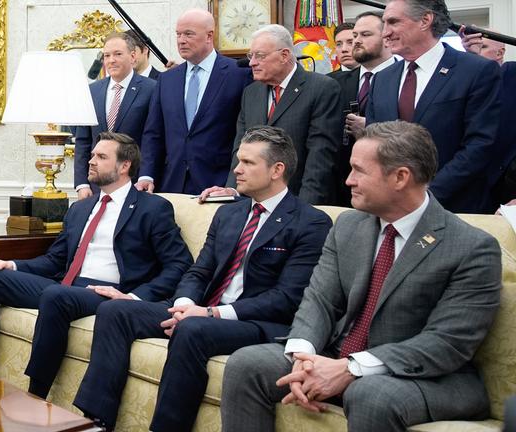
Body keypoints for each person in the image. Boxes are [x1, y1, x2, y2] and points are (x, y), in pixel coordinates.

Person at [221, 120, 502, 432]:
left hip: (426, 376)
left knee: (372, 393)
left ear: (400, 177)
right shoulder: (348, 225)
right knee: (248, 364)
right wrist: (304, 356)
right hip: (338, 354)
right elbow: (319, 300)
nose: (348, 180)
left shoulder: (472, 247)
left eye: (359, 170)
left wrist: (352, 368)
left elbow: (447, 342)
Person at [73, 126, 332, 432]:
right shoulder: (228, 214)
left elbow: (286, 298)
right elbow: (199, 271)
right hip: (202, 312)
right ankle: (96, 421)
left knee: (193, 329)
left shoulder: (311, 222)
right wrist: (184, 304)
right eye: (238, 160)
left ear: (277, 170)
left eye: (248, 163)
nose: (236, 169)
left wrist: (210, 313)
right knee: (115, 311)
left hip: (254, 321)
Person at [0, 132, 193, 397]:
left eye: (101, 157)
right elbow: (54, 261)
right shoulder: (80, 208)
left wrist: (132, 297)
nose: (91, 161)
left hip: (106, 294)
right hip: (65, 286)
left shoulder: (152, 208)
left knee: (56, 294)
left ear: (124, 166)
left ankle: (36, 395)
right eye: (92, 155)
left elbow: (179, 264)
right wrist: (12, 265)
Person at [366, 0, 501, 213]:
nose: (385, 33)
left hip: (455, 209)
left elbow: (481, 144)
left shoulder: (476, 71)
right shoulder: (382, 79)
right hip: (391, 208)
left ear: (425, 20)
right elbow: (373, 143)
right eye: (384, 24)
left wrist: (425, 195)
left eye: (393, 22)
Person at [217, 24, 340, 205]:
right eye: (251, 56)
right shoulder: (251, 92)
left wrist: (305, 208)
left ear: (284, 55)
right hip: (253, 203)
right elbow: (240, 147)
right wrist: (234, 191)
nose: (252, 63)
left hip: (297, 201)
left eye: (260, 56)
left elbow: (320, 157)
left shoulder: (322, 89)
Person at [136, 9, 252, 195]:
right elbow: (153, 134)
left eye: (188, 34)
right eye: (178, 34)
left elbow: (246, 134)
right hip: (171, 184)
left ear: (209, 36)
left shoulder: (239, 74)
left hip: (218, 185)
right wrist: (146, 176)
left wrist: (232, 185)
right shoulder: (167, 80)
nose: (181, 40)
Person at [74, 32, 156, 200]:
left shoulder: (152, 89)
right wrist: (81, 184)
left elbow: (153, 139)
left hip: (135, 185)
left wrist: (146, 176)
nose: (111, 60)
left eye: (118, 54)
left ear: (133, 56)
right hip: (96, 186)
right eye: (106, 55)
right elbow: (83, 140)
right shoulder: (91, 91)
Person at [331, 11, 395, 206]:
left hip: (389, 184)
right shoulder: (332, 83)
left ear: (386, 38)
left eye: (365, 35)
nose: (356, 41)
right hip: (340, 188)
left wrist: (371, 128)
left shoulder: (407, 79)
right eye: (355, 35)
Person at [459, 26, 516, 210]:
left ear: (500, 52)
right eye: (469, 48)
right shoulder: (462, 83)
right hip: (471, 186)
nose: (474, 51)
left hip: (507, 189)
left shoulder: (511, 74)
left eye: (481, 47)